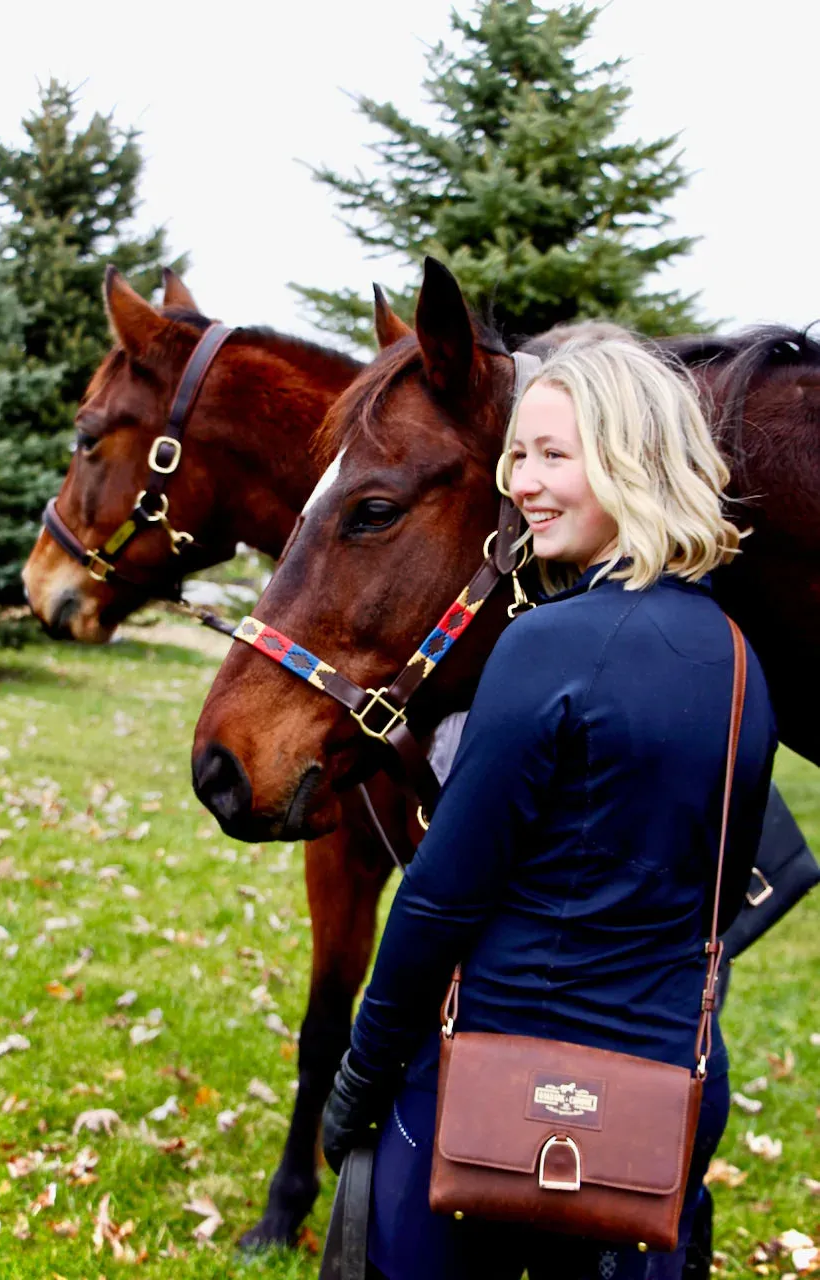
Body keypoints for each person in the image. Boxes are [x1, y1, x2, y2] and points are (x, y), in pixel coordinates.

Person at [321, 339, 778, 1280]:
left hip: (497, 1092)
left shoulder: (549, 644)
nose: (524, 482)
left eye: (555, 456)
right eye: (518, 455)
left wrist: (362, 1072)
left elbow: (444, 893)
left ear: (633, 460)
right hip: (662, 1102)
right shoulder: (740, 662)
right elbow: (716, 900)